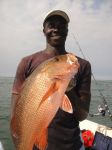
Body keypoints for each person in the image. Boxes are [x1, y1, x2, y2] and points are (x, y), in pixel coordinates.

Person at [10, 10, 91, 150]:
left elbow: (82, 115)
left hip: (71, 145)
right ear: (44, 30)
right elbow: (14, 115)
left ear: (67, 30)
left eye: (61, 25)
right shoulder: (27, 62)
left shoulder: (82, 65)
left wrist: (68, 88)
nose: (56, 28)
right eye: (51, 25)